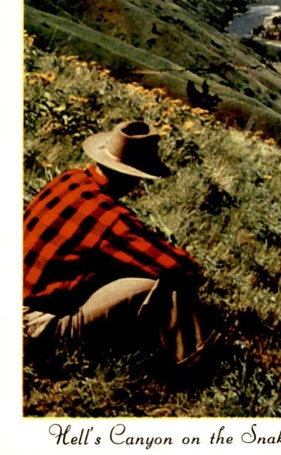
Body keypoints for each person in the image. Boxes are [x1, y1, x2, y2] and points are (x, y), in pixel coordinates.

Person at [23, 120, 217, 369]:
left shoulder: (69, 179)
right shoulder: (110, 218)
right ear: (132, 177)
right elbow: (180, 267)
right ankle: (200, 367)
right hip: (36, 326)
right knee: (163, 285)